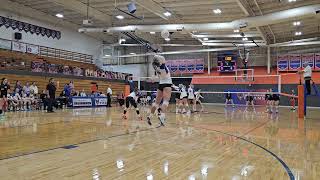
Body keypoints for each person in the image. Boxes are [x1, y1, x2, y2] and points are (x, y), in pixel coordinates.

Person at [146, 55, 173, 126]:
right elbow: (163, 58)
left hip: (160, 85)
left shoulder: (157, 69)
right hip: (167, 84)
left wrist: (155, 56)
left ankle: (150, 116)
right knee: (165, 102)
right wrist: (157, 55)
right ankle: (162, 117)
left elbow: (155, 78)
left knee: (156, 103)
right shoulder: (163, 67)